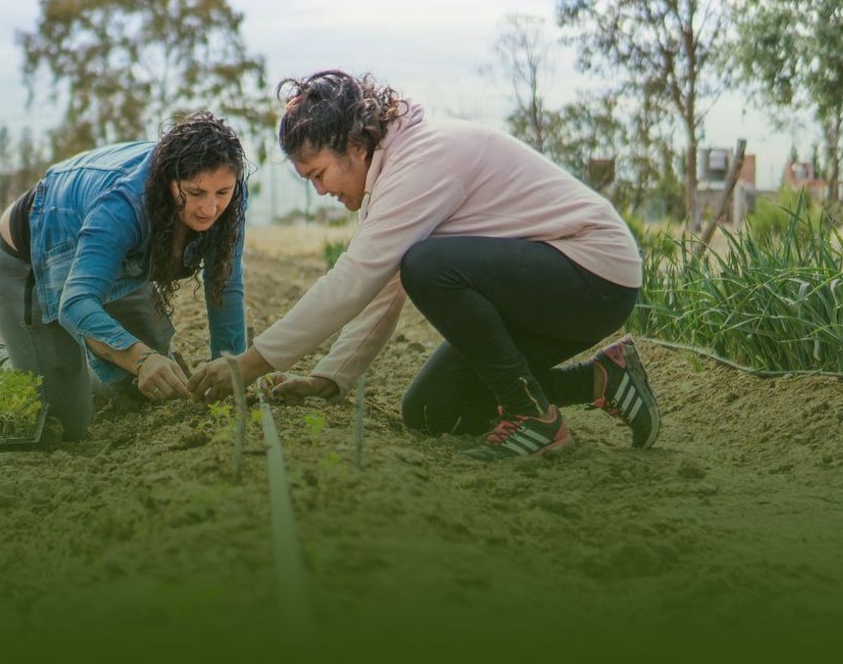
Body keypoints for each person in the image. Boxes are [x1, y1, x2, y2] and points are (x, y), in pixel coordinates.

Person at [188, 70, 660, 461]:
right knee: (433, 411)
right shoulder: (393, 176)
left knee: (428, 264)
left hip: (592, 273)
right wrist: (330, 377)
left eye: (319, 174)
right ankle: (603, 378)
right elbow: (383, 285)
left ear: (355, 145)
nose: (321, 191)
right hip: (548, 287)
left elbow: (356, 279)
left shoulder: (424, 161)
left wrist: (249, 364)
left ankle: (533, 419)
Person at [0, 112, 249, 441]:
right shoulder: (123, 204)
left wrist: (232, 369)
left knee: (148, 391)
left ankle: (89, 360)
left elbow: (225, 287)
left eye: (222, 192)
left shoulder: (229, 198)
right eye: (196, 192)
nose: (210, 208)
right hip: (36, 255)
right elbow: (75, 303)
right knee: (64, 424)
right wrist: (141, 358)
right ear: (169, 180)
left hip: (116, 264)